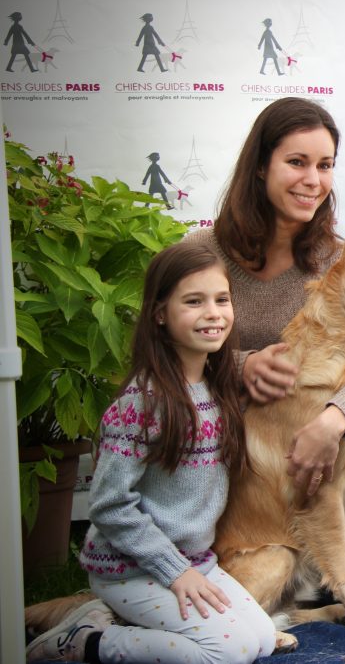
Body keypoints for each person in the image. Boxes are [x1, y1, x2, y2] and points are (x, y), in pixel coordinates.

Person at [27, 242, 276, 663]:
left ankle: (119, 620)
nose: (213, 313)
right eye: (194, 302)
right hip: (131, 569)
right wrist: (174, 571)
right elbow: (109, 506)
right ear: (160, 313)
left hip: (195, 561)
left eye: (221, 299)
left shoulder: (217, 390)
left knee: (264, 640)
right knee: (226, 654)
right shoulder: (142, 403)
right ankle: (85, 642)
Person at [184, 97, 345, 497]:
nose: (313, 181)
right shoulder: (202, 252)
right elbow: (161, 349)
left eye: (325, 166)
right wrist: (241, 366)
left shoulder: (339, 262)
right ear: (261, 166)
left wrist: (334, 420)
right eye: (297, 162)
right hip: (208, 456)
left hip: (298, 466)